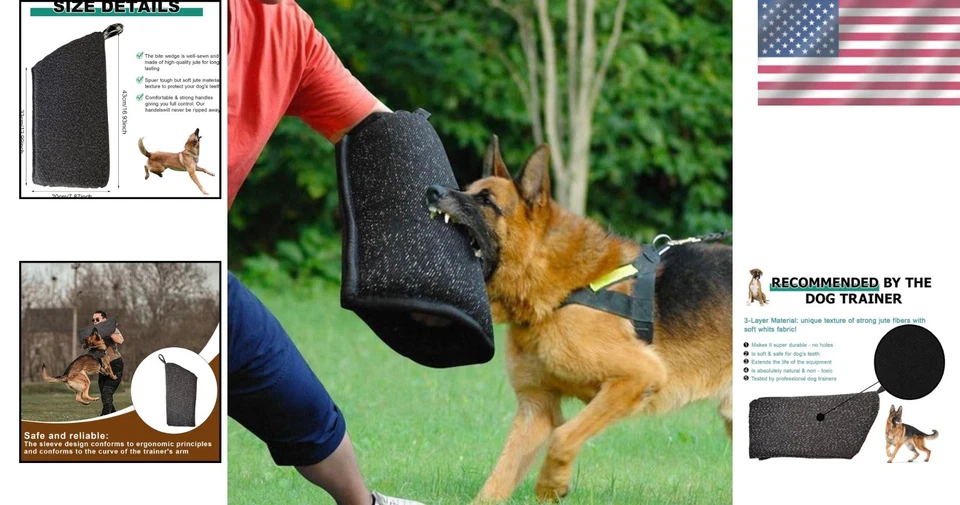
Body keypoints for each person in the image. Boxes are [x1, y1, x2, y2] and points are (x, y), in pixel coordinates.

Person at [227, 1, 422, 504]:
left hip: (184, 271)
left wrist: (458, 235)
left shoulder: (285, 28)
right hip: (63, 258)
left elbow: (385, 139)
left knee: (302, 408)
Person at [90, 310, 124, 416]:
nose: (95, 321)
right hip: (103, 367)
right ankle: (113, 416)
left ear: (104, 319)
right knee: (104, 395)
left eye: (97, 319)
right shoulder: (94, 333)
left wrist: (108, 332)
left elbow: (120, 340)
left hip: (115, 365)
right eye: (93, 320)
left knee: (107, 393)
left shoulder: (112, 329)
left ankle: (103, 417)